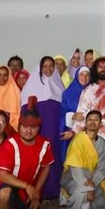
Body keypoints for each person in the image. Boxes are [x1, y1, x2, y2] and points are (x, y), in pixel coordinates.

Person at [0, 96, 56, 209]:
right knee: (5, 193)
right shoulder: (9, 144)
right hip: (9, 183)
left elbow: (46, 168)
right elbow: (2, 175)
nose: (28, 131)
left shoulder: (45, 144)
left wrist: (36, 192)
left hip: (28, 188)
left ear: (39, 128)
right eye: (25, 127)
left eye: (33, 127)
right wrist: (27, 187)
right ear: (19, 127)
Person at [19, 56, 66, 199]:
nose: (48, 69)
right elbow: (26, 112)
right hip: (39, 131)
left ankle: (53, 192)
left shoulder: (60, 87)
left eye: (51, 66)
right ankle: (37, 192)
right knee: (38, 157)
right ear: (40, 68)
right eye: (44, 66)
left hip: (55, 131)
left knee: (54, 157)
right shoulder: (31, 86)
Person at [60, 111, 105, 209]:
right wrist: (88, 186)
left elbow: (103, 167)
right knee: (81, 192)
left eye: (96, 120)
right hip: (73, 178)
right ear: (85, 123)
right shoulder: (78, 140)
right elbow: (75, 167)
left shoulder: (102, 143)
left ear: (101, 124)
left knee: (99, 201)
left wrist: (93, 182)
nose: (92, 122)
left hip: (92, 179)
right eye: (90, 120)